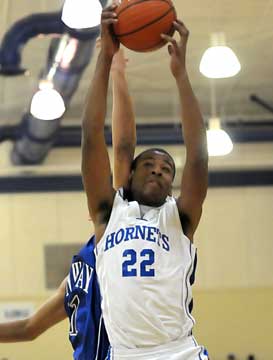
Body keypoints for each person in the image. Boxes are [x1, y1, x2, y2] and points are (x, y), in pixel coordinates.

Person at [81, 3, 209, 360]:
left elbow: (198, 153)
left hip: (177, 351)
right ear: (130, 174)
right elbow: (92, 136)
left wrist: (181, 74)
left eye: (167, 168)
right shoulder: (108, 213)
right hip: (124, 354)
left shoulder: (179, 219)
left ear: (172, 183)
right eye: (148, 164)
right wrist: (105, 59)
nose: (157, 169)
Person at [0, 48, 136, 360]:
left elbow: (124, 149)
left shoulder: (124, 237)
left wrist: (117, 75)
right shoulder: (81, 269)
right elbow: (28, 328)